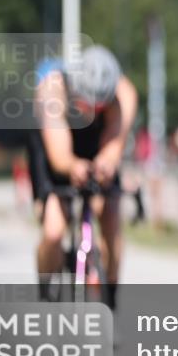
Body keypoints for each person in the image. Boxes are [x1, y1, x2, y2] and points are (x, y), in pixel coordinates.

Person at [27, 45, 138, 310]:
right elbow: (59, 155)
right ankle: (45, 292)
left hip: (95, 142)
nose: (92, 110)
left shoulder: (124, 94)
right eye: (86, 104)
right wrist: (72, 166)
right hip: (55, 143)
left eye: (100, 106)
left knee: (110, 214)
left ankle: (111, 298)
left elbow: (114, 139)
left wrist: (106, 163)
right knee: (54, 230)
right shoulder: (52, 89)